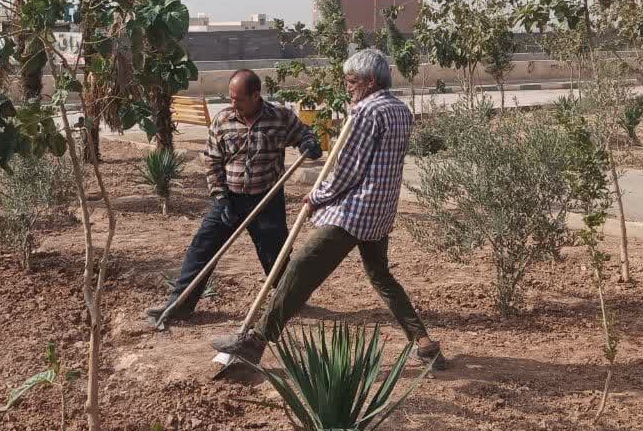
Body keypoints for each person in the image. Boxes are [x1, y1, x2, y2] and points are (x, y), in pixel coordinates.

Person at [212, 48, 445, 369]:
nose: (347, 86)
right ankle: (425, 343)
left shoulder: (364, 113)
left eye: (351, 81)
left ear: (370, 81)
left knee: (300, 269)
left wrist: (318, 196)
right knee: (381, 276)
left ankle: (255, 342)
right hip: (381, 211)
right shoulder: (400, 110)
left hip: (356, 211)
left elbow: (349, 169)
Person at [145, 69, 322, 325]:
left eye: (238, 98)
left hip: (267, 199)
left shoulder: (280, 118)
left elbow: (306, 135)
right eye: (231, 97)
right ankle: (180, 304)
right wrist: (220, 197)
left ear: (255, 95)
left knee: (275, 254)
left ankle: (289, 300)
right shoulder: (223, 120)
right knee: (202, 248)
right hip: (229, 198)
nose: (233, 103)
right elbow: (212, 160)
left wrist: (310, 145)